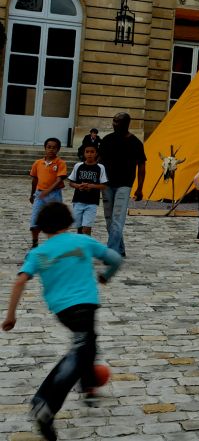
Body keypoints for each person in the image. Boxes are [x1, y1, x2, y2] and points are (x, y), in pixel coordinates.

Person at [3, 201, 123, 441]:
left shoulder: (39, 253)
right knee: (81, 350)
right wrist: (105, 276)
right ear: (70, 221)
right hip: (86, 305)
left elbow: (19, 281)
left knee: (87, 345)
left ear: (43, 227)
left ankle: (88, 384)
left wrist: (11, 315)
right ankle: (45, 401)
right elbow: (115, 259)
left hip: (63, 310)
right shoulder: (82, 242)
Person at [99, 113, 146, 258]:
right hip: (106, 184)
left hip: (124, 185)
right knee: (109, 220)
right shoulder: (107, 140)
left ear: (126, 123)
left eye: (117, 122)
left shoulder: (135, 143)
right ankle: (120, 248)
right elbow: (99, 162)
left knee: (118, 219)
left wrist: (139, 188)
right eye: (113, 121)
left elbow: (141, 167)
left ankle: (111, 252)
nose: (114, 124)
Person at [30, 138, 67, 248]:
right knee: (35, 220)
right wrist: (32, 194)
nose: (51, 150)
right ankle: (34, 243)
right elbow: (34, 180)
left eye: (54, 148)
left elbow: (59, 179)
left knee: (55, 220)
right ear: (45, 148)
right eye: (49, 147)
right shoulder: (38, 163)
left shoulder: (60, 163)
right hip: (39, 194)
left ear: (58, 149)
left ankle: (54, 244)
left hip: (54, 195)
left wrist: (48, 191)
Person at [67, 145, 107, 237]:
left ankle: (87, 246)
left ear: (96, 153)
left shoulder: (100, 167)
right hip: (78, 200)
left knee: (87, 227)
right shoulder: (78, 166)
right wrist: (78, 186)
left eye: (92, 152)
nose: (89, 154)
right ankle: (80, 245)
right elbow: (71, 182)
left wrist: (92, 186)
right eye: (87, 152)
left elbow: (104, 185)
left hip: (91, 202)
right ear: (84, 153)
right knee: (79, 227)